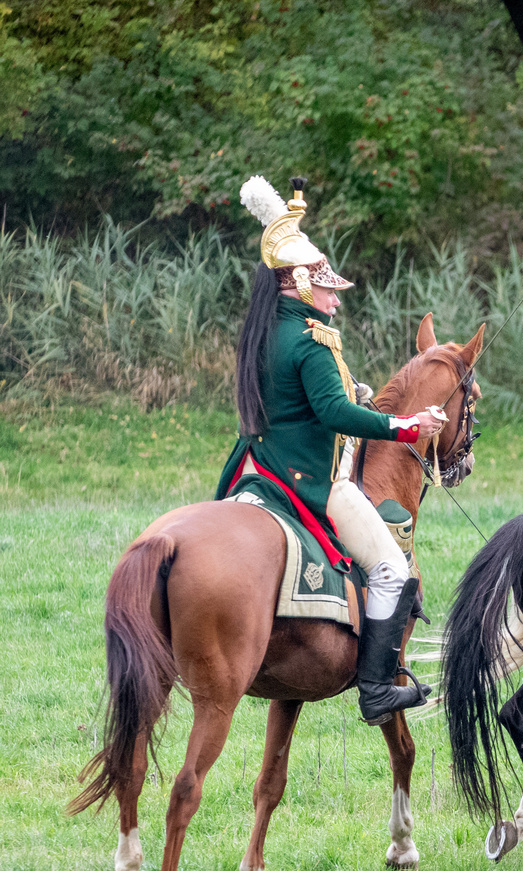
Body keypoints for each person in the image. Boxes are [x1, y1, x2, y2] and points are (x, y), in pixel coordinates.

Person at [216, 175, 448, 723]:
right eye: (327, 291)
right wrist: (407, 426)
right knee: (394, 570)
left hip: (256, 471)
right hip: (311, 477)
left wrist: (354, 393)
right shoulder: (312, 338)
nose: (334, 302)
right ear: (298, 283)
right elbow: (334, 415)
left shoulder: (265, 330)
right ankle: (377, 690)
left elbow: (303, 399)